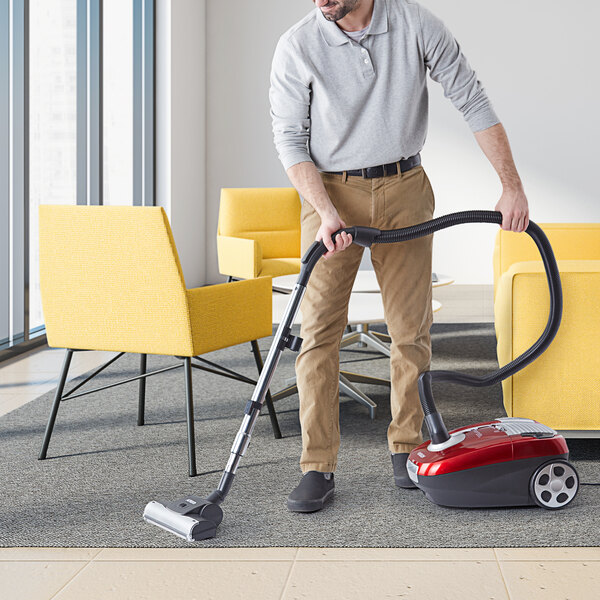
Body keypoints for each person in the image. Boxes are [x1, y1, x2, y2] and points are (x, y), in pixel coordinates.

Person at [269, 0, 529, 513]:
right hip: (330, 192)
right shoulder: (298, 44)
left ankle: (408, 447)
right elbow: (289, 138)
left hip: (406, 186)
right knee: (319, 331)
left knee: (410, 329)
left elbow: (472, 100)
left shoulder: (415, 24)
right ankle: (317, 465)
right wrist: (324, 211)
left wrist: (511, 186)